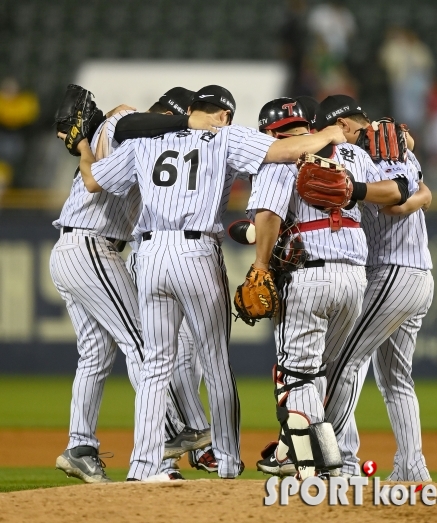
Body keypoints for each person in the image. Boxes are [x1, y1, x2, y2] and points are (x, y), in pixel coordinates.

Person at [70, 85, 355, 481]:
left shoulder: (146, 140)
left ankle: (144, 466)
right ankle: (227, 462)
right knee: (216, 363)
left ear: (191, 109)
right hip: (197, 252)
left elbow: (92, 181)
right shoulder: (225, 135)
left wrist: (83, 143)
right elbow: (285, 152)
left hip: (148, 254)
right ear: (224, 115)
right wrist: (328, 135)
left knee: (155, 366)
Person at [241, 96, 410, 480]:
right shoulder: (350, 153)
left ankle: (316, 465)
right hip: (354, 280)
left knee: (295, 376)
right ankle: (304, 454)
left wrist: (261, 264)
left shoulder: (280, 156)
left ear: (272, 132)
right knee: (320, 373)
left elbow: (267, 215)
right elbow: (399, 190)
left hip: (309, 277)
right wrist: (357, 190)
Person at [51, 90, 214, 484]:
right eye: (181, 117)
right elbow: (133, 122)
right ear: (172, 113)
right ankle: (166, 443)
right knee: (145, 342)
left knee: (95, 355)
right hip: (91, 246)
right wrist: (183, 122)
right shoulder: (126, 122)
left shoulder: (139, 147)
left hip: (77, 248)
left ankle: (80, 446)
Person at [316, 95, 434, 482]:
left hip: (392, 272)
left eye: (338, 128)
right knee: (395, 378)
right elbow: (425, 194)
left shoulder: (372, 153)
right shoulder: (396, 145)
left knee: (343, 361)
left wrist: (357, 190)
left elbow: (397, 205)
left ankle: (338, 461)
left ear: (347, 125)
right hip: (418, 276)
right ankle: (412, 468)